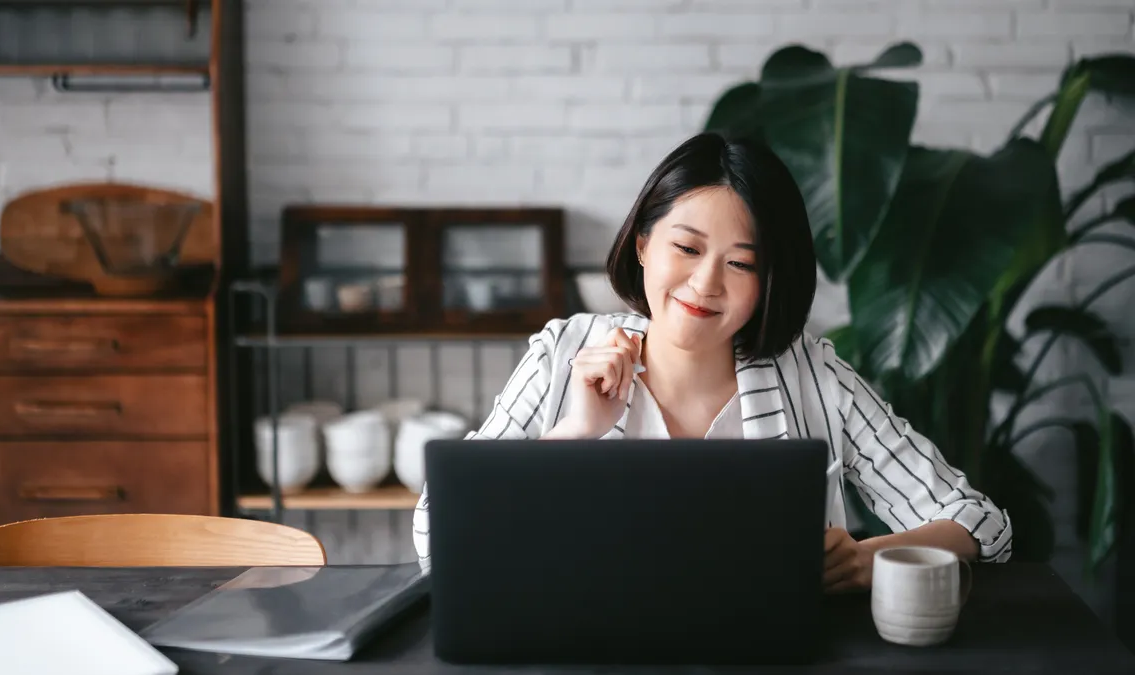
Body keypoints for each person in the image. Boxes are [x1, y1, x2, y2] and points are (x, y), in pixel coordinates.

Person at [412, 132, 1012, 592]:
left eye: (741, 263)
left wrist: (865, 557)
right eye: (687, 248)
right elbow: (440, 534)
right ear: (643, 245)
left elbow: (980, 523)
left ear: (769, 280)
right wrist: (574, 432)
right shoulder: (563, 354)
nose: (705, 284)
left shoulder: (812, 374)